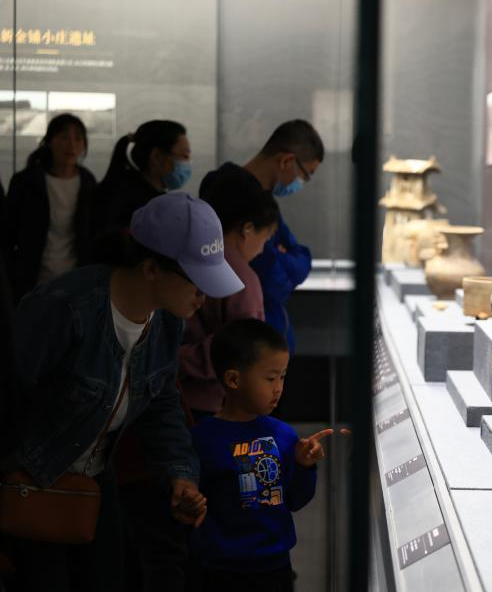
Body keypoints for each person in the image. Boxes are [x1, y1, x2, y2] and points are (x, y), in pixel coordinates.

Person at [1, 191, 243, 592]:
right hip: (33, 483)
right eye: (195, 281)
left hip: (94, 484)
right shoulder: (64, 309)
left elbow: (161, 402)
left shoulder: (166, 321)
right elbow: (7, 396)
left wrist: (179, 476)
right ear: (151, 269)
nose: (203, 296)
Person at [190, 318, 332, 592]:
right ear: (233, 380)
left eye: (282, 377)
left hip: (276, 568)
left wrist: (304, 466)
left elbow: (294, 500)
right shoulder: (203, 438)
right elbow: (190, 504)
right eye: (270, 378)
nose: (279, 388)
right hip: (224, 575)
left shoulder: (282, 434)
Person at [200, 119, 324, 352]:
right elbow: (274, 284)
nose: (301, 183)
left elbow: (302, 258)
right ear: (287, 161)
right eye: (305, 175)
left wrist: (281, 257)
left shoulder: (265, 203)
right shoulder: (230, 192)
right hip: (247, 345)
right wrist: (282, 257)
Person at [180, 181, 279, 418]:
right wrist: (176, 359)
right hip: (207, 400)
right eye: (265, 239)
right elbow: (244, 349)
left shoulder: (191, 255)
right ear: (247, 229)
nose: (262, 250)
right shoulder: (243, 278)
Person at [4, 113, 98, 302]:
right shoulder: (26, 182)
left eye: (78, 138)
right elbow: (7, 232)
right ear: (49, 141)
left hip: (75, 280)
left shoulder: (88, 183)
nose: (71, 144)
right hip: (31, 280)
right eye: (64, 137)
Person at [96, 120, 191, 228]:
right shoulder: (130, 204)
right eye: (185, 156)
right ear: (157, 156)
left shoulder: (151, 198)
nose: (187, 163)